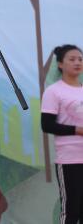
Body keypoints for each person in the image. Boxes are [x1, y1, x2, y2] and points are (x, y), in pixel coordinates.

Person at [41, 44, 83, 224]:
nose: (77, 62)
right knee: (71, 210)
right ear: (60, 64)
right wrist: (77, 130)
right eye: (72, 59)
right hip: (69, 160)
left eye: (80, 59)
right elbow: (47, 125)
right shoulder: (54, 91)